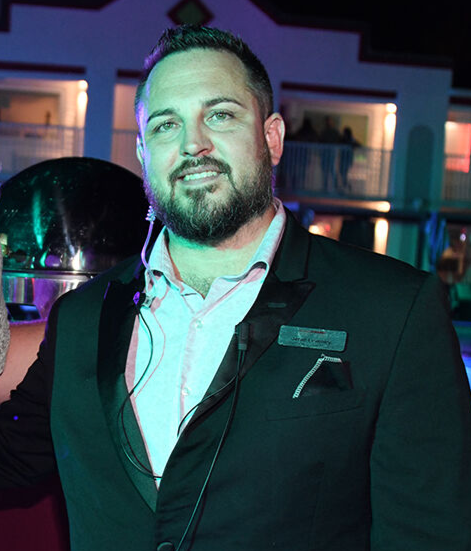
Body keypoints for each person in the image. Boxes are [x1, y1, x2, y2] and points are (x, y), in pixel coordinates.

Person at [1, 25, 471, 551]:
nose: (193, 144)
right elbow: (12, 457)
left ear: (272, 138)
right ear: (143, 151)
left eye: (220, 115)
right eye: (166, 125)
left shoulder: (393, 310)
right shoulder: (82, 317)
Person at [319, 115, 341, 192]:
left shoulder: (333, 132)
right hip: (326, 153)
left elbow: (338, 139)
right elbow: (321, 140)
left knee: (331, 170)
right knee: (326, 170)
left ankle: (334, 186)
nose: (328, 123)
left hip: (330, 153)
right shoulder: (324, 131)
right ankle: (325, 186)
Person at [338, 126, 361, 191]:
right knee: (342, 172)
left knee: (343, 172)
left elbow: (358, 145)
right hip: (343, 158)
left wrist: (352, 145)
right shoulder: (343, 139)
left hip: (347, 158)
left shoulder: (351, 139)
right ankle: (345, 185)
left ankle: (345, 185)